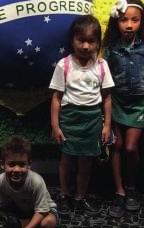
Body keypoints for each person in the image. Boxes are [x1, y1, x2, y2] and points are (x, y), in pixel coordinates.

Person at [49, 15, 114, 215]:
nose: (85, 46)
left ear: (98, 43)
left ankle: (79, 198)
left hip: (93, 119)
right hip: (69, 118)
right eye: (81, 40)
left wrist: (107, 126)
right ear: (72, 40)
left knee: (86, 162)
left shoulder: (102, 66)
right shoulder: (64, 65)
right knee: (66, 160)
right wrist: (55, 126)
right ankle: (64, 196)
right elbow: (56, 98)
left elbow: (107, 98)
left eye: (91, 41)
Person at [103, 0, 144, 218]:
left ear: (142, 21)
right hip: (116, 103)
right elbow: (104, 78)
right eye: (124, 20)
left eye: (135, 20)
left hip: (138, 103)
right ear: (117, 22)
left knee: (131, 148)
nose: (129, 25)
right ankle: (119, 191)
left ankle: (132, 187)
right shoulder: (110, 48)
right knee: (117, 146)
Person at [0, 136, 57, 228]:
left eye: (22, 164)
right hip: (20, 211)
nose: (16, 170)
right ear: (2, 164)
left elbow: (41, 211)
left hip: (44, 211)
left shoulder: (36, 181)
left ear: (29, 164)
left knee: (47, 224)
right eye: (11, 164)